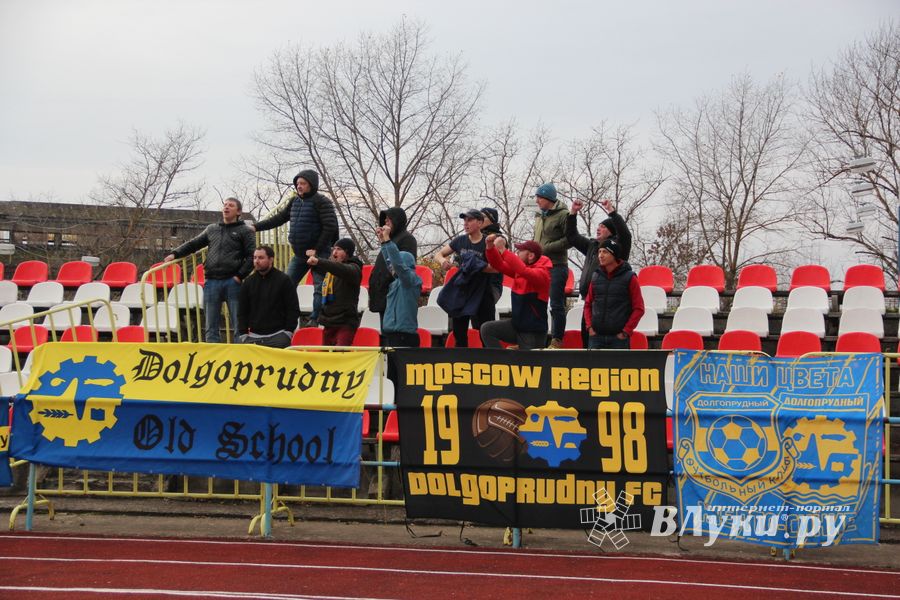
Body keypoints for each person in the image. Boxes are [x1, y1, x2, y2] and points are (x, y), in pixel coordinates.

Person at [252, 169, 338, 326]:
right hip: (299, 255)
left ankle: (315, 318)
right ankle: (292, 315)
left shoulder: (322, 202)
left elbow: (330, 227)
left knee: (319, 287)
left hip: (319, 255)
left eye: (303, 183)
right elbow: (278, 219)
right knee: (286, 283)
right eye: (298, 183)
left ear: (311, 185)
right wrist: (256, 227)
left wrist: (317, 250)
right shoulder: (294, 202)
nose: (299, 186)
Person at [164, 197, 255, 343]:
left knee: (239, 323)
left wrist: (239, 276)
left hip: (233, 282)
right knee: (210, 325)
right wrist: (175, 253)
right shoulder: (212, 229)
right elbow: (194, 244)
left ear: (238, 212)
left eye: (231, 206)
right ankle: (214, 357)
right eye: (225, 205)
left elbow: (252, 256)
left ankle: (240, 354)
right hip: (212, 281)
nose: (226, 207)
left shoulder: (245, 230)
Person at [567, 198, 632, 346]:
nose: (598, 229)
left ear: (611, 231)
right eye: (598, 226)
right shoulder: (592, 246)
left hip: (613, 305)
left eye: (602, 226)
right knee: (587, 345)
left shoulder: (619, 247)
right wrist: (573, 213)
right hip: (590, 304)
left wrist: (611, 212)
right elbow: (572, 237)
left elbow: (626, 234)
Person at [434, 210, 497, 347]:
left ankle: (489, 361)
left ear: (480, 223)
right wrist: (442, 262)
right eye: (464, 220)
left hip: (482, 291)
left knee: (485, 330)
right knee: (459, 332)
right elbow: (439, 254)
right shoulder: (460, 240)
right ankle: (461, 360)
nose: (466, 223)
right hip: (463, 290)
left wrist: (477, 266)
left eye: (470, 220)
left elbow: (496, 267)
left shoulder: (488, 242)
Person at [480, 237, 552, 350]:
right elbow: (498, 264)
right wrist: (490, 247)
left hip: (532, 331)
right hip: (517, 326)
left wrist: (503, 250)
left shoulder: (543, 274)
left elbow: (524, 271)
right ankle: (502, 363)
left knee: (528, 366)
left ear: (531, 255)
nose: (517, 253)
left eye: (520, 251)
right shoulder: (520, 270)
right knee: (487, 329)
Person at [583, 239, 644, 350]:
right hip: (596, 338)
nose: (600, 255)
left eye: (605, 252)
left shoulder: (630, 278)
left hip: (619, 339)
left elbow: (639, 308)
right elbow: (587, 304)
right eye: (599, 252)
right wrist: (589, 327)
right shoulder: (595, 276)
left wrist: (626, 332)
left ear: (614, 255)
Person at [237, 246, 301, 348]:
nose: (256, 261)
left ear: (271, 259)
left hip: (278, 336)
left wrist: (288, 332)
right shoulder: (248, 282)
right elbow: (242, 311)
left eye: (261, 258)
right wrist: (243, 334)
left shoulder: (284, 280)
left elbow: (293, 308)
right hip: (253, 337)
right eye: (255, 258)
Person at [533, 183, 569, 348]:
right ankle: (535, 337)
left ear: (548, 198)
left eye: (539, 197)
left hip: (556, 265)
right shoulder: (539, 216)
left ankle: (557, 339)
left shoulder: (563, 215)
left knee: (556, 304)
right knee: (536, 303)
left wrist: (545, 249)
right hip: (539, 266)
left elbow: (569, 240)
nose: (537, 201)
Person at [307, 238, 363, 347]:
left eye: (339, 249)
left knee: (340, 357)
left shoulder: (354, 269)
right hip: (328, 322)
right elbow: (322, 268)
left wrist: (319, 261)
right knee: (327, 359)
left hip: (345, 323)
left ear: (347, 252)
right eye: (334, 249)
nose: (334, 252)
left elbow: (340, 269)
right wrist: (313, 259)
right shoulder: (331, 269)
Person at [368, 207, 417, 325]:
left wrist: (386, 239)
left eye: (389, 219)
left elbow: (403, 265)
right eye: (385, 220)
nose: (386, 223)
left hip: (394, 293)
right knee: (385, 331)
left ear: (397, 220)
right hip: (382, 292)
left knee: (391, 331)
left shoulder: (407, 239)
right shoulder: (388, 240)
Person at [376, 223, 422, 348]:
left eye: (394, 265)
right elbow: (390, 261)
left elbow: (397, 264)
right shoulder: (396, 282)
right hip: (392, 335)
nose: (391, 267)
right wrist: (383, 242)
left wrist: (388, 240)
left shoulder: (411, 280)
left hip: (404, 337)